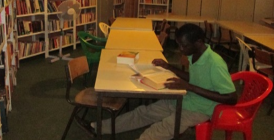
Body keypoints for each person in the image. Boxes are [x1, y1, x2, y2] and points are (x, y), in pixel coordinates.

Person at [93, 23, 237, 140]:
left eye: (184, 46)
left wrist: (189, 87)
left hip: (201, 109)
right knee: (142, 112)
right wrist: (168, 66)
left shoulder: (215, 63)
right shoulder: (194, 54)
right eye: (179, 45)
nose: (180, 49)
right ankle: (100, 127)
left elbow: (231, 98)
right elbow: (194, 78)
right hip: (185, 99)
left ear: (199, 42)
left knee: (153, 133)